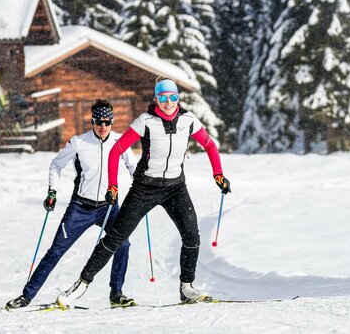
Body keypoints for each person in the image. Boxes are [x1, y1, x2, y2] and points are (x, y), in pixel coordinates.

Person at [56, 78, 231, 307]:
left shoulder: (188, 121)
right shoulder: (145, 121)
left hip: (175, 187)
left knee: (192, 236)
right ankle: (80, 286)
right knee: (115, 238)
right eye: (163, 97)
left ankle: (186, 287)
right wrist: (113, 185)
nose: (168, 102)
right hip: (144, 188)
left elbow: (209, 144)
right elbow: (116, 151)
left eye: (173, 97)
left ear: (178, 98)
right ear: (156, 99)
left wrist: (218, 174)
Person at [5, 100, 138, 309]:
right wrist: (52, 191)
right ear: (92, 121)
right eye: (99, 121)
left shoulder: (120, 142)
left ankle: (116, 293)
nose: (103, 126)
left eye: (107, 122)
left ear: (112, 122)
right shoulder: (79, 142)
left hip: (109, 206)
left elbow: (133, 167)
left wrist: (142, 186)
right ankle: (26, 296)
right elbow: (56, 165)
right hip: (80, 208)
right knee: (56, 250)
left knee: (123, 244)